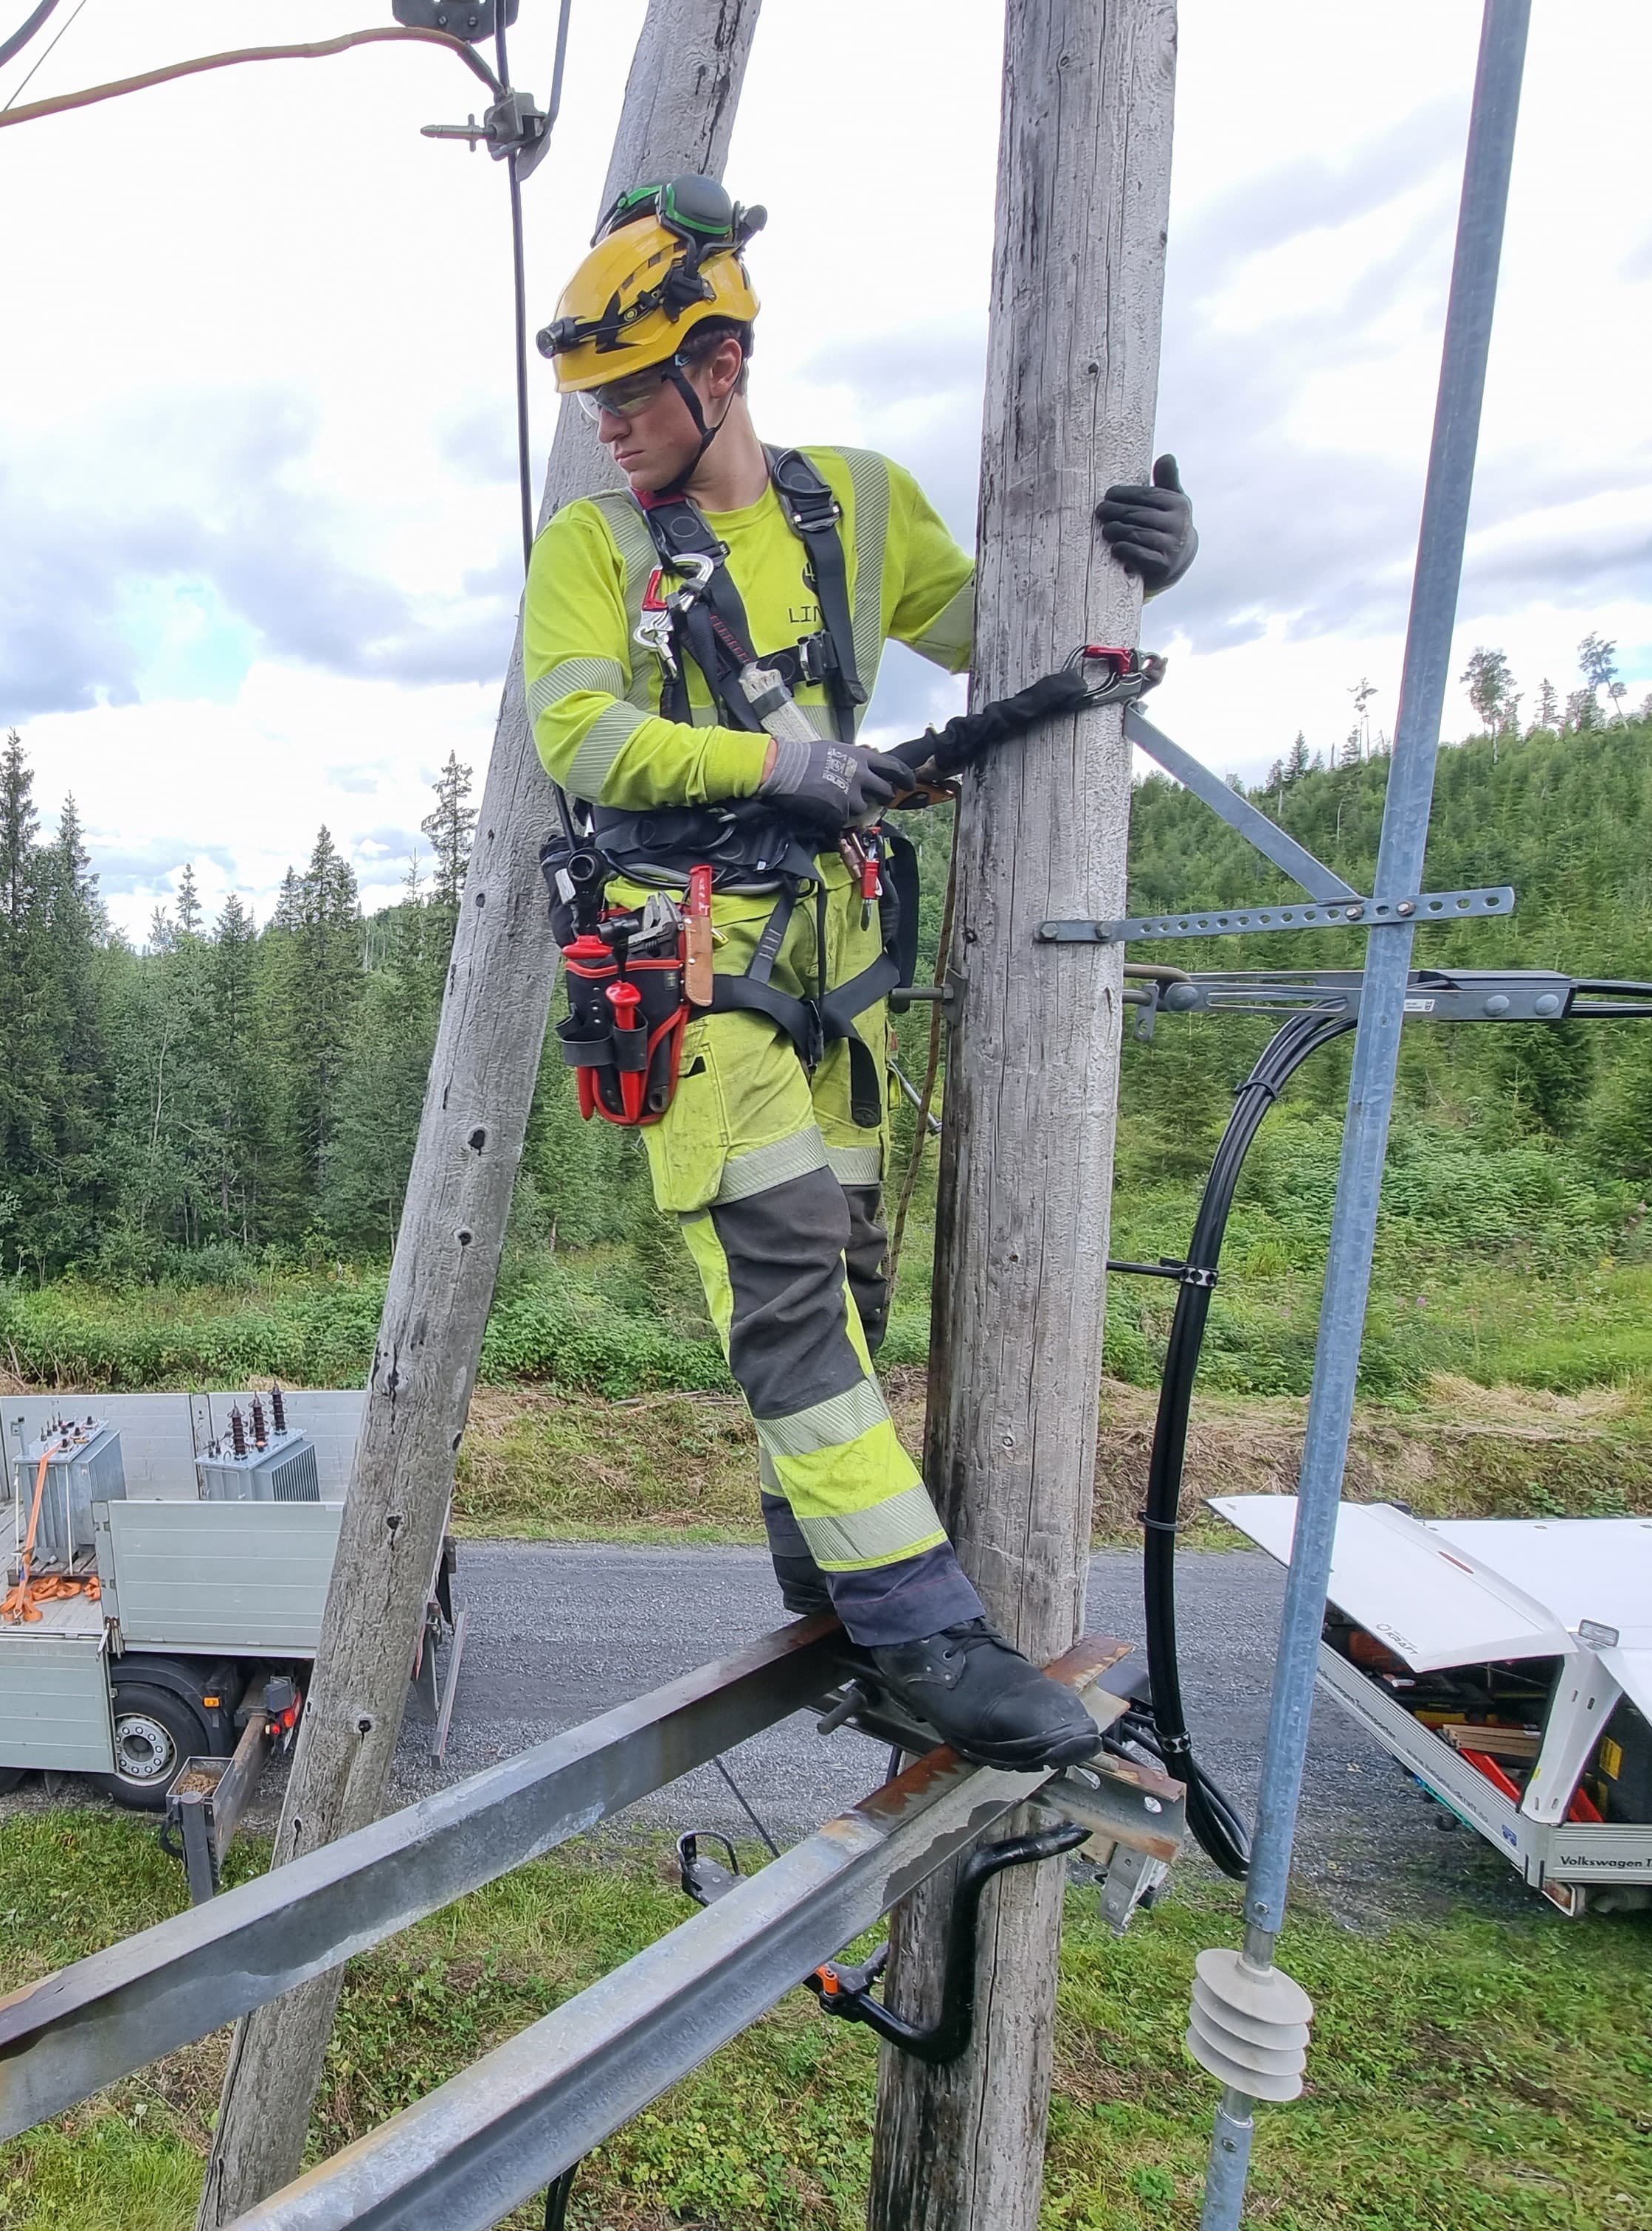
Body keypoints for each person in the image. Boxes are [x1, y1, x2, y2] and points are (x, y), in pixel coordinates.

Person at [522, 176, 1197, 1769]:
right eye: (594, 401)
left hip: (836, 977)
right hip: (694, 980)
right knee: (789, 1307)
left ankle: (818, 1569)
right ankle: (925, 1634)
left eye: (632, 396)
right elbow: (579, 732)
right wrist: (779, 759)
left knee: (852, 1285)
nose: (607, 428)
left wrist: (1144, 573)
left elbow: (1000, 631)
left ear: (722, 369)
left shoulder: (860, 506)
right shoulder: (595, 546)